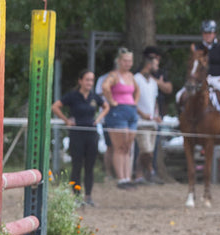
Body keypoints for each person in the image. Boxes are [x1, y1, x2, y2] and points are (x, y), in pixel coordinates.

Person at [52, 69, 108, 205]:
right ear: (80, 81)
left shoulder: (94, 97)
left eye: (91, 80)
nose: (90, 83)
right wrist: (66, 120)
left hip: (91, 133)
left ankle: (88, 196)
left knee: (90, 166)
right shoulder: (73, 96)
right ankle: (76, 196)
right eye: (87, 80)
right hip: (77, 133)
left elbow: (106, 107)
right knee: (77, 165)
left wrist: (98, 119)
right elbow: (55, 106)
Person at [102, 48, 139, 188]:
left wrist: (135, 102)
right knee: (119, 147)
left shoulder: (131, 76)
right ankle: (121, 178)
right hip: (118, 112)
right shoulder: (114, 75)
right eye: (125, 60)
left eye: (130, 61)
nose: (128, 63)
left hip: (131, 111)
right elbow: (105, 87)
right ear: (119, 61)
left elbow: (137, 90)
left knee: (128, 147)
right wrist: (112, 101)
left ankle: (128, 177)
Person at [133, 50, 170, 183]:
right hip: (141, 121)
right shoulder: (136, 79)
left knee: (147, 151)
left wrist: (156, 115)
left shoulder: (153, 82)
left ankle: (140, 174)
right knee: (146, 150)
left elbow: (154, 101)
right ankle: (150, 172)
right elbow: (132, 100)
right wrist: (142, 114)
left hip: (152, 121)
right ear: (149, 64)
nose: (157, 66)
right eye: (155, 64)